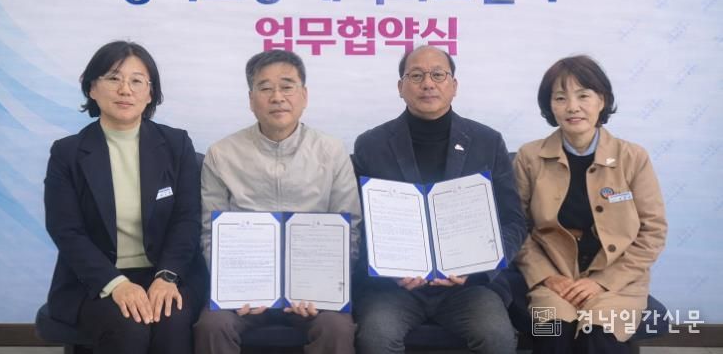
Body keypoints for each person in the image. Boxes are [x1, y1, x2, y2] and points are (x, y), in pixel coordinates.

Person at [353, 45, 527, 354]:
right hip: (394, 288)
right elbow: (360, 224)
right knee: (376, 336)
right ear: (400, 87)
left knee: (496, 335)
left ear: (454, 85)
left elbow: (513, 221)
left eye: (438, 75)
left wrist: (478, 268)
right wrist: (389, 267)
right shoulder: (371, 144)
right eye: (416, 75)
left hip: (470, 286)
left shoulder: (487, 142)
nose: (428, 84)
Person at [43, 41, 208, 354]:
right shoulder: (67, 153)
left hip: (166, 273)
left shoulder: (176, 144)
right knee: (128, 326)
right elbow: (66, 230)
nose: (125, 90)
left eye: (136, 81)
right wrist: (115, 284)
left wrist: (167, 276)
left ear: (150, 93)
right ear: (92, 88)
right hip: (96, 279)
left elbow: (187, 219)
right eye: (113, 78)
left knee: (171, 320)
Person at [193, 49, 361, 354]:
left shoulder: (331, 151)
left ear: (304, 95)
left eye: (287, 86)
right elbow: (210, 233)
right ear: (251, 99)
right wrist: (236, 288)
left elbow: (349, 230)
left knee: (336, 328)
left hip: (312, 290)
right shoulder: (222, 154)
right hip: (244, 288)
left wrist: (319, 288)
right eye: (265, 88)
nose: (277, 97)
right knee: (212, 326)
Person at [513, 55, 667, 353]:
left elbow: (653, 231)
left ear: (602, 100)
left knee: (599, 338)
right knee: (550, 335)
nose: (572, 107)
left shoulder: (633, 158)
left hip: (617, 282)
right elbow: (515, 227)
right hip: (552, 279)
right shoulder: (529, 157)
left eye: (583, 95)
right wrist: (546, 276)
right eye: (560, 98)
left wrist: (603, 282)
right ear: (550, 106)